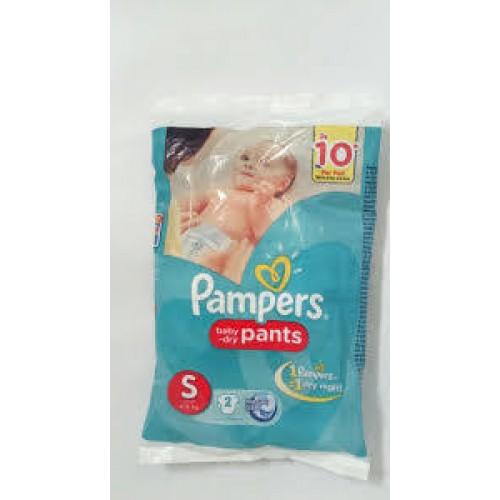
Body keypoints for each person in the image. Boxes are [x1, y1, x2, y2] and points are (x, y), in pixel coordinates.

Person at [177, 140, 297, 282]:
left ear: (282, 183)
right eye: (245, 158)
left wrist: (260, 207)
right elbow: (183, 205)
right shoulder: (219, 192)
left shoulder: (273, 204)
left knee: (212, 268)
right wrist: (177, 216)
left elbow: (268, 238)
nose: (249, 164)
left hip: (226, 255)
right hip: (193, 238)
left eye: (264, 163)